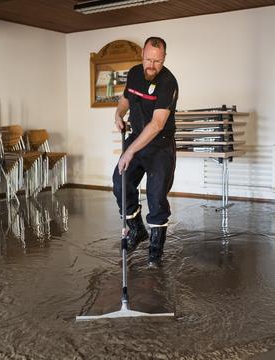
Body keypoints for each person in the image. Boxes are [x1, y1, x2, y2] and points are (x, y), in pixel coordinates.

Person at [113, 36, 179, 267]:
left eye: (157, 61)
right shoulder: (133, 73)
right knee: (120, 182)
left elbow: (158, 124)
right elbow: (125, 98)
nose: (152, 65)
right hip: (137, 139)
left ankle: (155, 252)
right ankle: (137, 230)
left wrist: (129, 152)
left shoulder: (168, 82)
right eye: (148, 59)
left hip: (160, 145)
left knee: (156, 197)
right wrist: (118, 114)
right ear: (142, 54)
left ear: (164, 58)